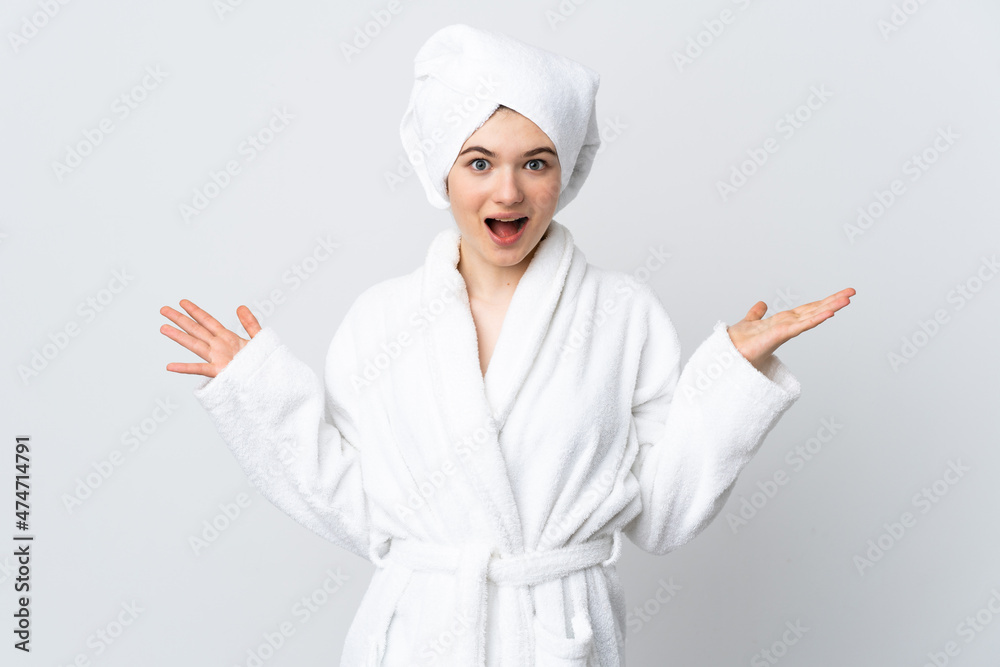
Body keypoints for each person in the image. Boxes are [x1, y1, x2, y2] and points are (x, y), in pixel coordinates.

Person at [159, 24, 853, 667]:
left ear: (567, 172)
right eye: (480, 161)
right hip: (416, 639)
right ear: (442, 170)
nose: (509, 191)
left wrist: (729, 378)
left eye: (536, 162)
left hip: (555, 635)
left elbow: (665, 515)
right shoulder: (382, 321)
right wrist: (260, 395)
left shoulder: (620, 316)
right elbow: (357, 510)